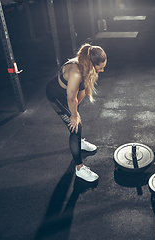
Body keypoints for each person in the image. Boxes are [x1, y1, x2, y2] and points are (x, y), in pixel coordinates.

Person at [46, 43, 107, 182]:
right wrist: (73, 116)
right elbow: (70, 98)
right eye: (101, 67)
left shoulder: (86, 67)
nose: (102, 70)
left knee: (76, 121)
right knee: (76, 128)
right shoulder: (76, 71)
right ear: (92, 63)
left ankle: (79, 142)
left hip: (69, 96)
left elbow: (82, 92)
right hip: (56, 96)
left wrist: (75, 112)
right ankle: (79, 168)